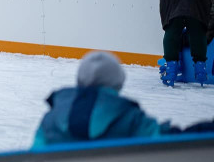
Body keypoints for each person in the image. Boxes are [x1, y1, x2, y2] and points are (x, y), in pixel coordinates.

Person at [32, 51, 214, 148]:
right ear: (117, 82)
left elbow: (35, 158)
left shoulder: (50, 121)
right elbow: (168, 141)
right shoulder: (130, 119)